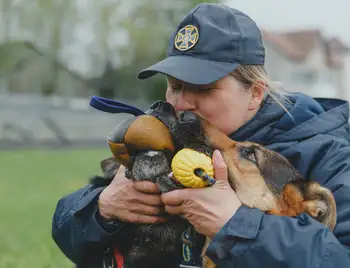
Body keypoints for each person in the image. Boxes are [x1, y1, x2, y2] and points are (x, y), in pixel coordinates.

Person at [52, 3, 350, 268]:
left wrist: (236, 226)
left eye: (203, 88)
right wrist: (102, 209)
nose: (181, 104)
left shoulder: (327, 154)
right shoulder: (170, 136)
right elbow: (68, 229)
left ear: (255, 94)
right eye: (175, 86)